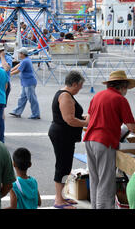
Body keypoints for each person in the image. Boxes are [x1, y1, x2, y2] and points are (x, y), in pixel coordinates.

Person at [83, 70, 135, 209]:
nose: (126, 91)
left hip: (89, 140)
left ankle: (95, 206)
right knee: (106, 181)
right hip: (104, 142)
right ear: (122, 86)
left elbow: (87, 119)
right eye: (126, 88)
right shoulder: (120, 99)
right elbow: (132, 127)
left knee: (95, 179)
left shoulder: (97, 96)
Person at [48, 71, 89, 209]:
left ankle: (62, 196)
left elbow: (71, 115)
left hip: (64, 135)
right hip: (61, 135)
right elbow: (69, 119)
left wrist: (83, 118)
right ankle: (58, 200)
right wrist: (86, 123)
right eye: (80, 85)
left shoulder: (66, 94)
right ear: (74, 83)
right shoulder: (65, 95)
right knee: (62, 166)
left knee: (66, 166)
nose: (81, 88)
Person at [9, 47, 40, 120]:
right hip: (26, 82)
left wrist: (9, 74)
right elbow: (18, 65)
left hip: (29, 82)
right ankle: (17, 112)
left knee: (32, 99)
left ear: (22, 54)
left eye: (19, 53)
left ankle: (36, 114)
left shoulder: (25, 61)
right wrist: (10, 70)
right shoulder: (25, 60)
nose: (18, 54)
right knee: (22, 98)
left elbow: (18, 70)